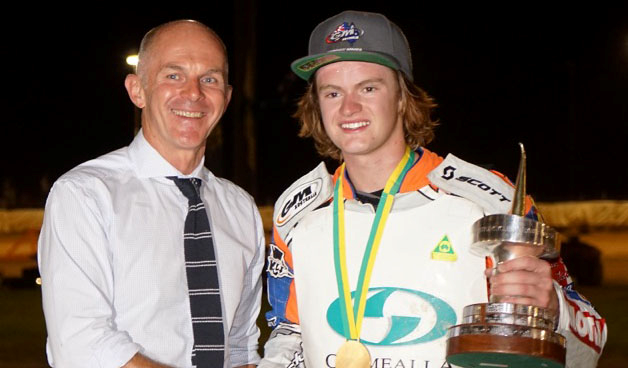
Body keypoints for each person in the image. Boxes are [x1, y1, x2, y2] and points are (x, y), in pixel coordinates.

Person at [260, 10, 606, 368]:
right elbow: (290, 333)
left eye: (368, 87)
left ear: (401, 96)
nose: (349, 107)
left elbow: (591, 342)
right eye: (332, 92)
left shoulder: (486, 202)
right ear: (316, 104)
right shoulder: (300, 213)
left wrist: (553, 307)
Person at [38, 20, 264, 368]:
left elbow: (240, 347)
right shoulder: (85, 195)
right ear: (137, 90)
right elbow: (81, 344)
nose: (193, 93)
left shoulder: (241, 209)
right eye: (173, 75)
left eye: (210, 79)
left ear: (227, 97)